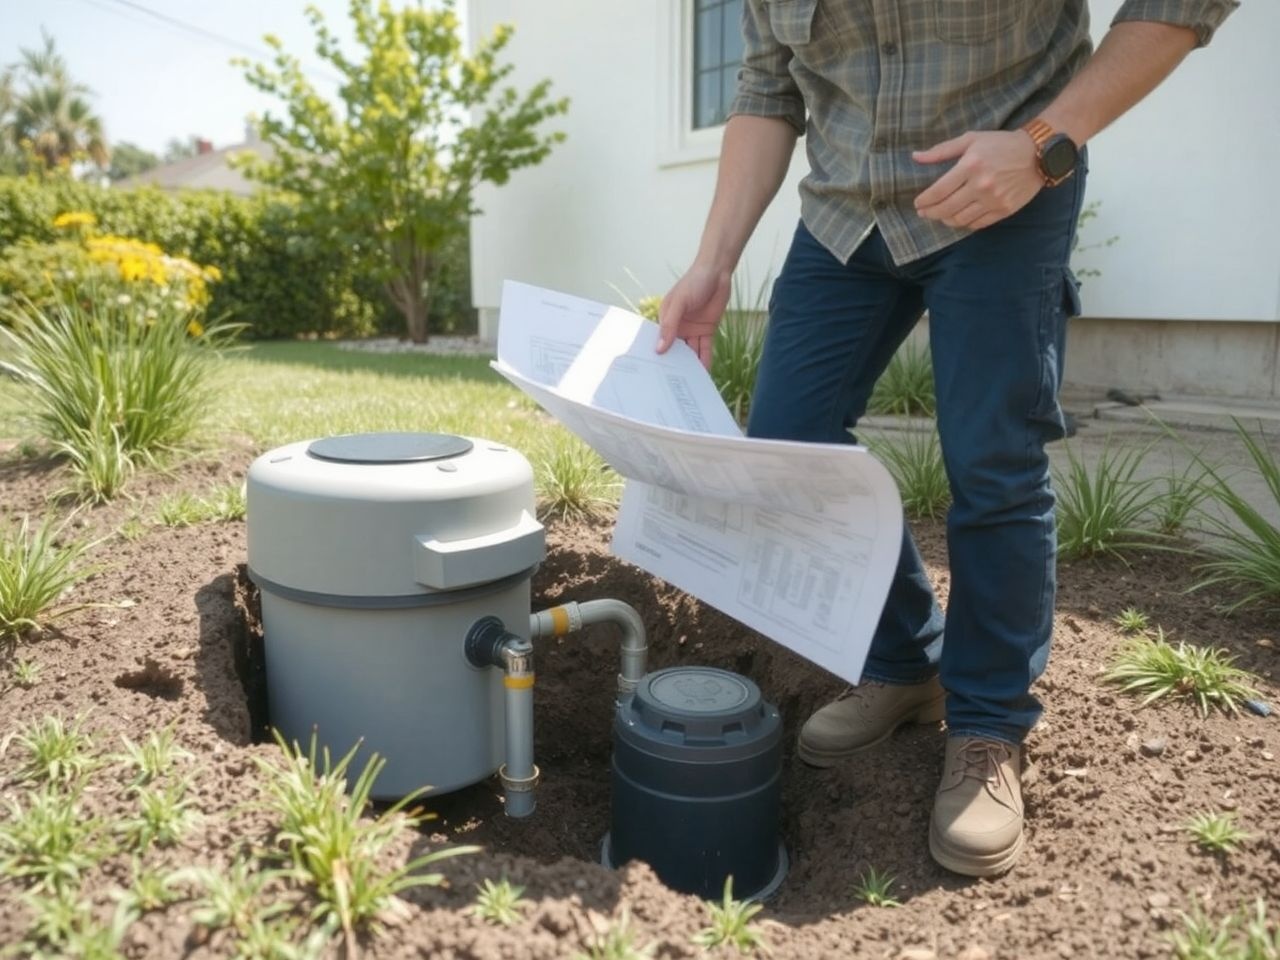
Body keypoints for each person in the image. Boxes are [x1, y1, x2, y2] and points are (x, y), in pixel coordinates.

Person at [655, 0, 1237, 877]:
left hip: (1008, 184)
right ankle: (907, 659)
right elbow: (768, 89)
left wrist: (1049, 139)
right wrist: (713, 259)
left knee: (991, 462)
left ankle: (989, 725)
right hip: (847, 210)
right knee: (789, 441)